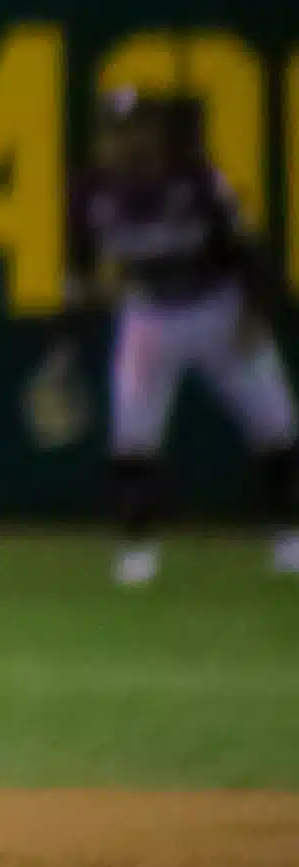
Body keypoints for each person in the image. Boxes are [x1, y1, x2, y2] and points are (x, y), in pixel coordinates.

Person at [61, 84, 299, 587]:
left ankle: (291, 539)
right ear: (102, 137)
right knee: (132, 439)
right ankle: (136, 551)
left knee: (277, 428)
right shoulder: (89, 192)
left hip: (221, 308)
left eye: (137, 128)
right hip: (150, 317)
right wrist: (81, 300)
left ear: (156, 132)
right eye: (116, 130)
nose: (127, 141)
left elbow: (250, 250)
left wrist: (255, 314)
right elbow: (78, 269)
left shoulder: (196, 180)